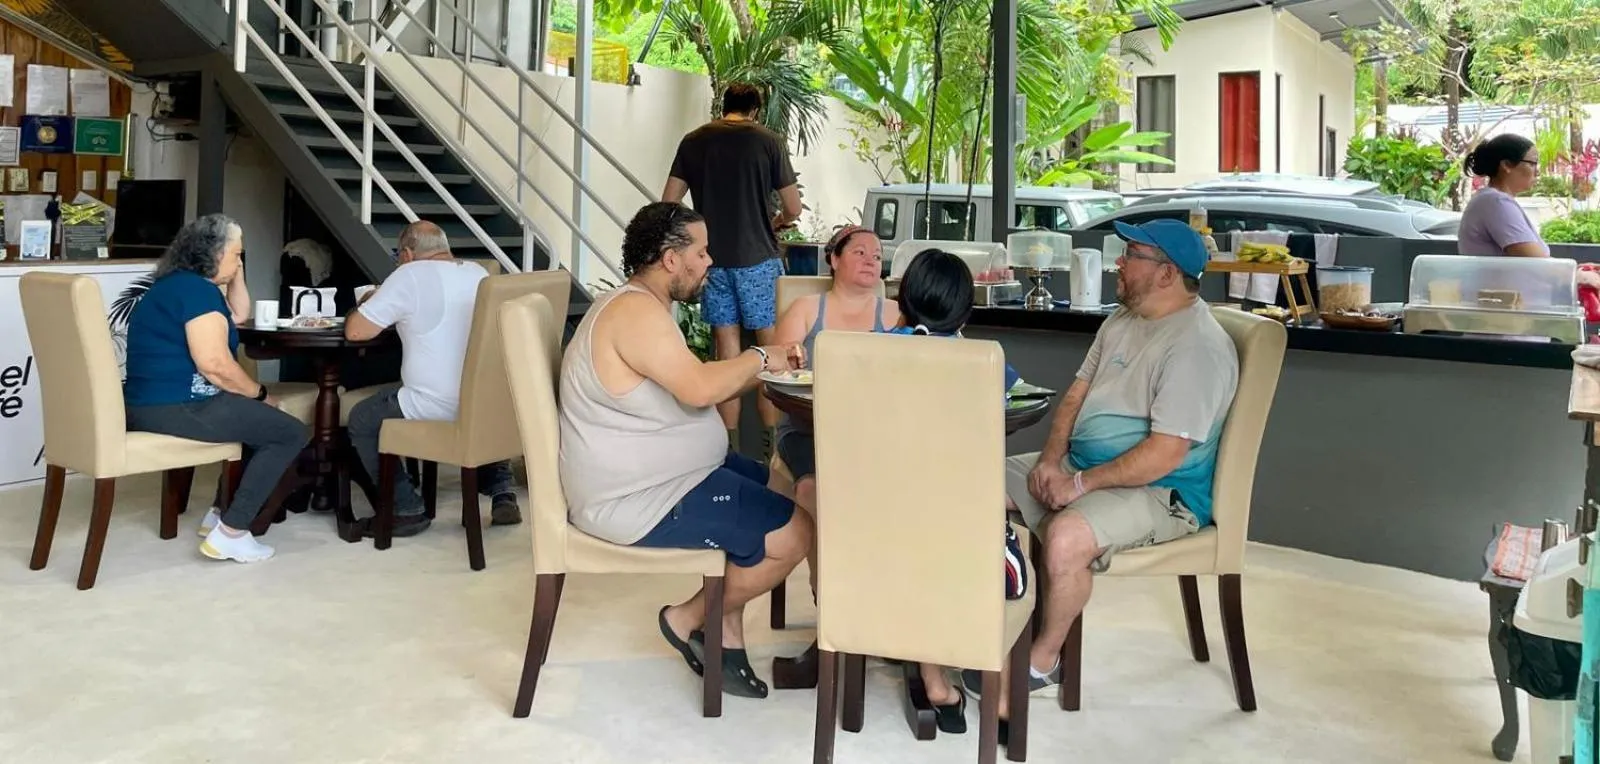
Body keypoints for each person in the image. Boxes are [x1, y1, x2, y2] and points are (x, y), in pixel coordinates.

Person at [963, 220, 1239, 733]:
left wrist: (1079, 487)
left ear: (1165, 273)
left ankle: (1041, 661)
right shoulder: (1123, 319)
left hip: (1162, 492)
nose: (1117, 262)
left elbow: (1163, 454)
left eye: (1129, 254)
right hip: (1081, 468)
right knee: (964, 485)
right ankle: (970, 626)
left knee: (1066, 539)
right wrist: (1049, 461)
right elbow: (1075, 395)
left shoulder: (1197, 347)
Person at [558, 201, 813, 699]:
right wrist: (762, 357)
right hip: (639, 496)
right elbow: (698, 388)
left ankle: (726, 630)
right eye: (701, 250)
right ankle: (688, 618)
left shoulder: (645, 306)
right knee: (795, 532)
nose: (710, 261)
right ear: (671, 258)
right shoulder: (633, 312)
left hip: (674, 473)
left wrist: (754, 366)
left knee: (785, 486)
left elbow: (691, 385)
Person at [123, 213, 310, 563]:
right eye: (236, 254)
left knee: (258, 422)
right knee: (288, 433)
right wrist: (261, 394)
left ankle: (218, 514)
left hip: (151, 403)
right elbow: (216, 366)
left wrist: (233, 269)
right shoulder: (196, 292)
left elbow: (238, 314)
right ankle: (233, 531)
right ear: (211, 253)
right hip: (178, 403)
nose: (241, 260)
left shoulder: (179, 285)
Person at [344, 221, 521, 538]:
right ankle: (501, 488)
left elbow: (356, 331)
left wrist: (375, 298)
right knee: (475, 396)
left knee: (361, 418)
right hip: (485, 403)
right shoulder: (478, 273)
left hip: (434, 404)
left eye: (399, 256)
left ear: (408, 254)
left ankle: (406, 508)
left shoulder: (408, 275)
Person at [662, 82, 803, 455]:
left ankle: (729, 452)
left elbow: (669, 202)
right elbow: (794, 207)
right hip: (758, 260)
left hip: (712, 263)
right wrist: (774, 222)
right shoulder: (768, 141)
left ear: (723, 106)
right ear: (755, 110)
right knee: (770, 355)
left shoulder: (693, 141)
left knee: (727, 355)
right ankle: (772, 453)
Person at [771, 224, 900, 527]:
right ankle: (826, 575)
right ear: (834, 260)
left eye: (877, 256)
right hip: (809, 428)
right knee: (812, 488)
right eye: (860, 252)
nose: (871, 260)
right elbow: (778, 367)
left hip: (875, 429)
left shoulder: (896, 314)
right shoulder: (805, 308)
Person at [1459, 134, 1550, 258]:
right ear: (1506, 165)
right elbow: (1536, 262)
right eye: (1532, 163)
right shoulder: (1496, 202)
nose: (1537, 171)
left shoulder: (1490, 200)